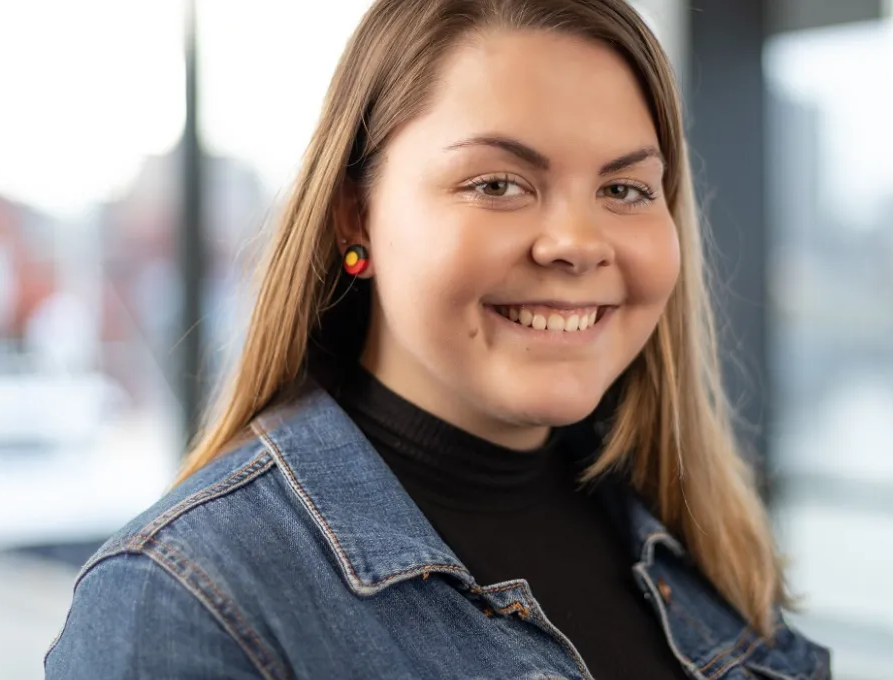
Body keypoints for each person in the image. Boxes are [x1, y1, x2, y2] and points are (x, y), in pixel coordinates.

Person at [45, 0, 831, 677]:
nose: (577, 242)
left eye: (625, 189)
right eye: (497, 184)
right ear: (356, 215)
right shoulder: (183, 600)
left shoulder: (695, 538)